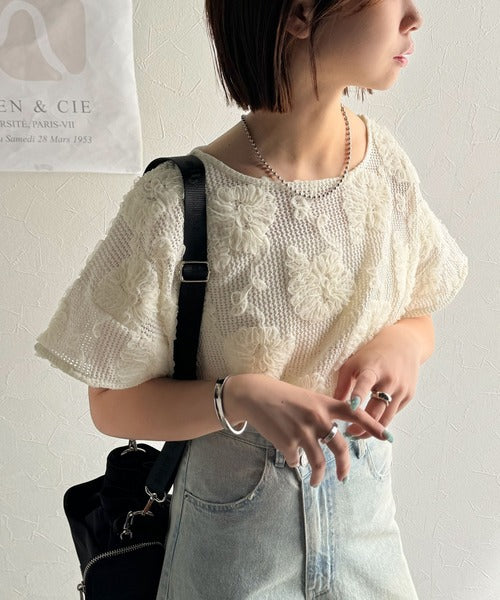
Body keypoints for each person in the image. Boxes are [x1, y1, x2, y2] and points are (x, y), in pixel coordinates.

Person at [34, 1, 469, 598]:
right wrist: (235, 396)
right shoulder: (177, 203)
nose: (414, 15)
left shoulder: (385, 167)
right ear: (299, 15)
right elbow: (109, 404)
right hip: (230, 558)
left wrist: (403, 344)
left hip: (370, 544)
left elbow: (421, 309)